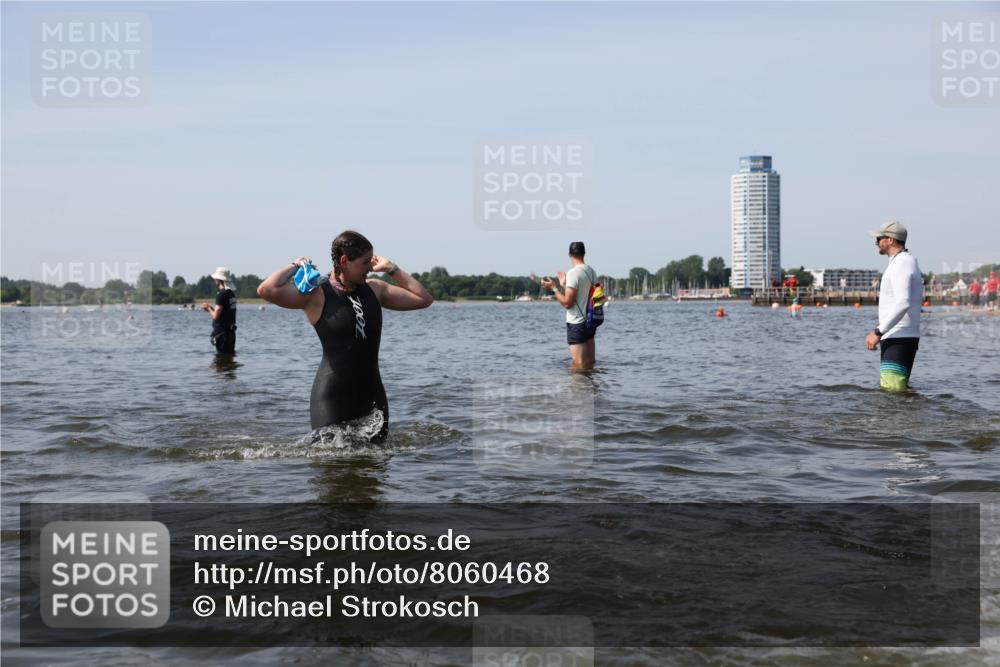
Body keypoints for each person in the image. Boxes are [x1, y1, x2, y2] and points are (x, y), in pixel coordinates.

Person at [256, 230, 432, 443]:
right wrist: (295, 265)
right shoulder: (317, 295)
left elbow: (424, 299)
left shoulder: (376, 290)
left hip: (372, 395)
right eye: (365, 262)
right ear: (344, 261)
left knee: (377, 460)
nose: (371, 268)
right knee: (330, 460)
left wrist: (392, 269)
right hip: (332, 399)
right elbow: (266, 289)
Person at [865, 221, 922, 392]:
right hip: (901, 335)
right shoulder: (905, 261)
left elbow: (903, 302)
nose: (876, 242)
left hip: (898, 336)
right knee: (898, 393)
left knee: (892, 393)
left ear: (890, 240)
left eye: (879, 238)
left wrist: (878, 332)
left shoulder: (901, 263)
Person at [540, 241, 599, 371]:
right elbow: (582, 295)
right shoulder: (592, 272)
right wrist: (564, 284)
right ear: (584, 253)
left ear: (569, 254)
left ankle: (577, 385)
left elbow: (568, 303)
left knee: (579, 366)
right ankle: (592, 384)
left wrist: (554, 288)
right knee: (590, 363)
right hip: (590, 322)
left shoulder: (573, 273)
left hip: (577, 323)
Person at [202, 267, 237, 354]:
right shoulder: (231, 293)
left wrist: (208, 309)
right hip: (231, 333)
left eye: (215, 278)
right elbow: (225, 312)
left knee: (221, 359)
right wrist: (211, 308)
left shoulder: (221, 294)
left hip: (222, 335)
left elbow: (215, 316)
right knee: (229, 357)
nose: (214, 279)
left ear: (219, 279)